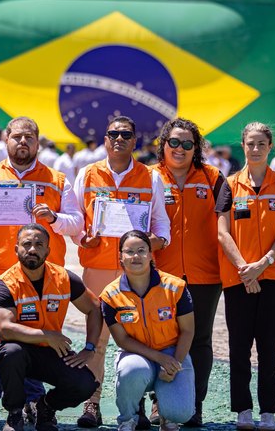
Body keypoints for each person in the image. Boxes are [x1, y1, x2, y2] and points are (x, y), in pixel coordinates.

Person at [0, 116, 83, 423]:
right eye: (17, 137)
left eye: (29, 137)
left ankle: (33, 397)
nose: (23, 142)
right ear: (6, 140)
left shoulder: (57, 179)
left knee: (37, 336)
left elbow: (77, 222)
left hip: (40, 275)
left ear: (38, 142)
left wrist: (54, 218)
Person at [74, 116, 171, 427]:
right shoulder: (87, 174)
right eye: (113, 134)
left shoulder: (151, 177)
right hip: (98, 268)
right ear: (105, 139)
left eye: (126, 134)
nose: (119, 139)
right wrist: (83, 238)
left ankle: (142, 405)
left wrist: (153, 242)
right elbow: (76, 219)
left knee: (142, 337)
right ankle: (92, 402)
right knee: (98, 339)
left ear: (135, 141)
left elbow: (162, 224)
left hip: (138, 271)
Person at [215, 122, 275, 431]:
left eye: (262, 143)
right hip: (238, 277)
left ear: (270, 146)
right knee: (239, 347)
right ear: (243, 146)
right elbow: (222, 233)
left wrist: (262, 264)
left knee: (268, 347)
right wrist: (244, 269)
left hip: (274, 276)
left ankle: (268, 411)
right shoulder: (229, 185)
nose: (256, 148)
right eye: (251, 143)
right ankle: (243, 410)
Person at [150, 118, 225, 427]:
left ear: (196, 148)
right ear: (163, 145)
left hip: (205, 275)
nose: (179, 149)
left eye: (187, 144)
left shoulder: (213, 178)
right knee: (160, 339)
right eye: (174, 142)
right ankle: (159, 403)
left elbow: (231, 223)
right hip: (160, 275)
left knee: (200, 340)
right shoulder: (149, 177)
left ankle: (195, 404)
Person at [0, 224, 101, 431]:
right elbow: (4, 328)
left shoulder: (64, 278)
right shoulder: (5, 283)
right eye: (27, 244)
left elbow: (94, 308)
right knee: (10, 353)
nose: (32, 249)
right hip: (19, 348)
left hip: (52, 350)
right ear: (16, 249)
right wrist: (46, 335)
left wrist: (90, 348)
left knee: (85, 383)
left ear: (48, 251)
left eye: (39, 244)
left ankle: (45, 407)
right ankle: (14, 414)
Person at [101, 230, 195, 431]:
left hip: (172, 351)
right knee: (132, 370)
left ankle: (167, 415)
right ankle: (128, 419)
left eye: (142, 250)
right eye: (129, 251)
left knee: (181, 413)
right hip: (135, 354)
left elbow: (188, 330)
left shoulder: (176, 287)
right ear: (120, 257)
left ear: (151, 255)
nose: (136, 256)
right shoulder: (110, 295)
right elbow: (122, 340)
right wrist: (159, 359)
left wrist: (174, 363)